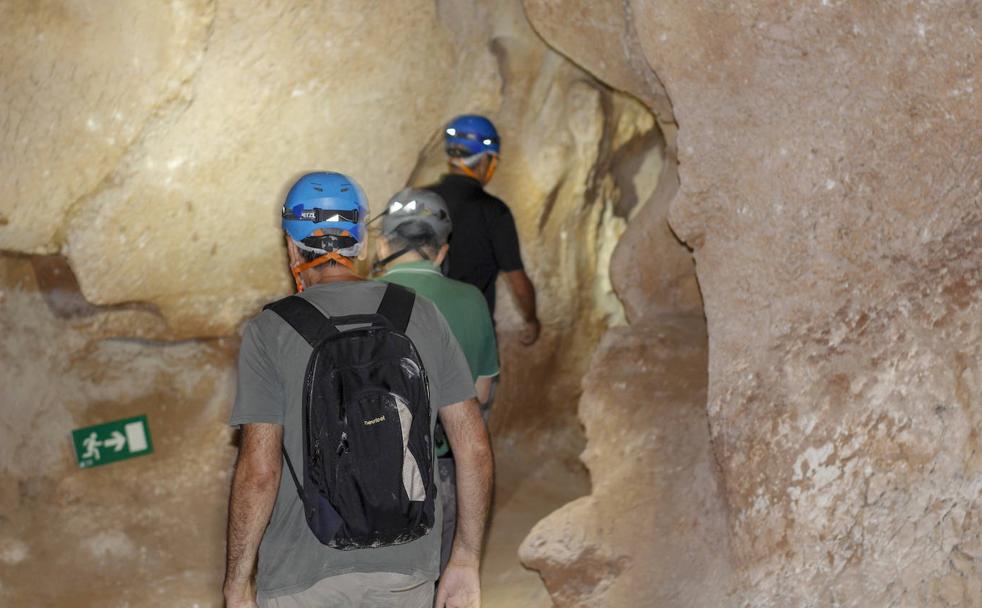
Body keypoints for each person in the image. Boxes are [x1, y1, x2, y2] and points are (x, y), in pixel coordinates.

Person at [224, 172, 493, 608]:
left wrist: (238, 580)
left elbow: (259, 472)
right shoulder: (420, 314)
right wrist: (465, 557)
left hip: (301, 571)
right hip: (406, 565)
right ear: (362, 245)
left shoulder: (269, 331)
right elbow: (474, 448)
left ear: (292, 247)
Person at [372, 187, 499, 573]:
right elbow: (480, 392)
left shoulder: (359, 298)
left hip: (368, 471)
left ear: (381, 246)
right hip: (442, 468)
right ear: (442, 251)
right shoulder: (470, 299)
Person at [425, 114, 541, 346]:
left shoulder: (420, 201)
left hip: (422, 334)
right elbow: (517, 281)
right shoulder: (494, 212)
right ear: (485, 160)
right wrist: (531, 318)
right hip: (472, 339)